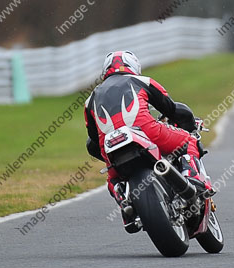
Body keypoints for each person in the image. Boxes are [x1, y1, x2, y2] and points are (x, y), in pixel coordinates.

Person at [84, 50, 206, 232]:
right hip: (147, 131)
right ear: (134, 67)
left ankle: (124, 203)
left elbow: (93, 140)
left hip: (109, 144)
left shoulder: (89, 100)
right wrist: (187, 123)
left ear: (105, 71)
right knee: (188, 141)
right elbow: (171, 108)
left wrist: (106, 156)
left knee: (113, 177)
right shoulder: (143, 81)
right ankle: (192, 178)